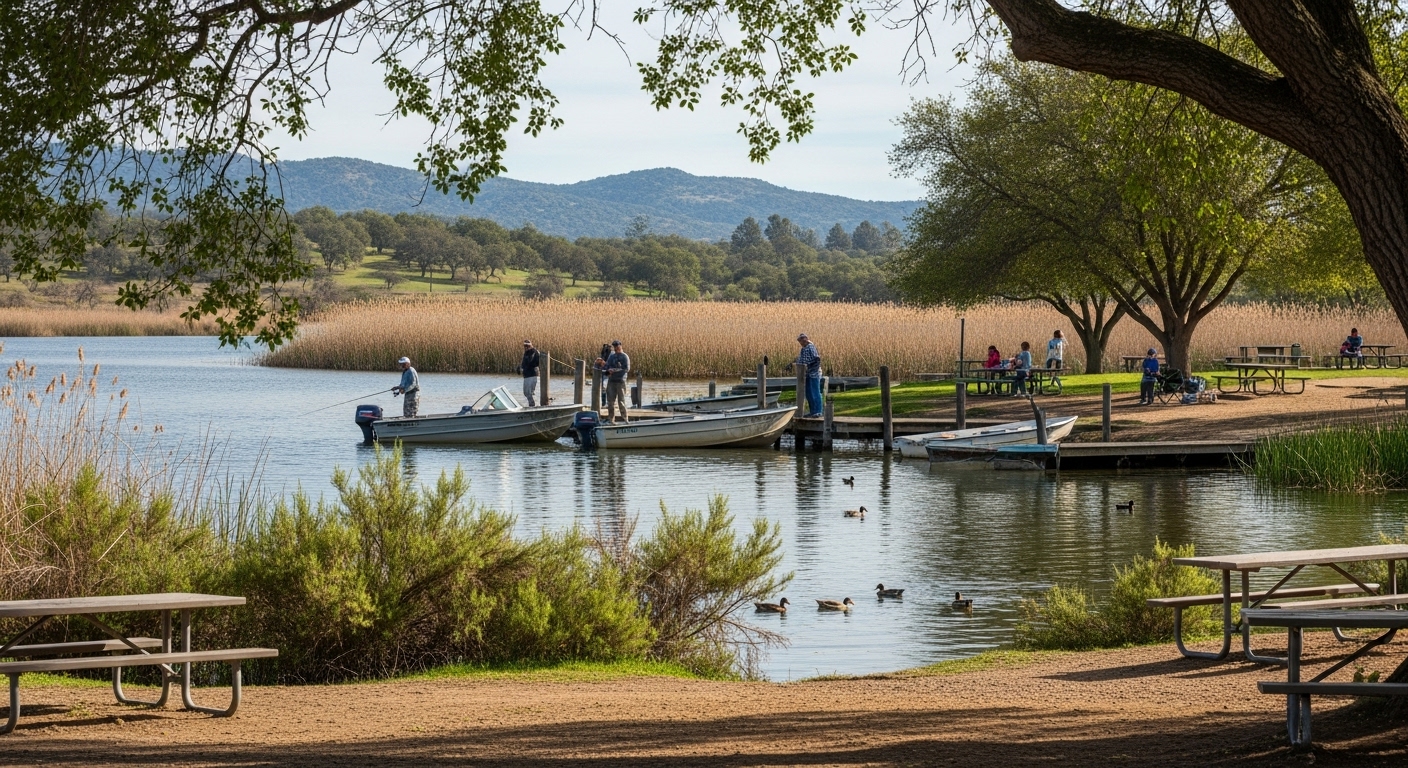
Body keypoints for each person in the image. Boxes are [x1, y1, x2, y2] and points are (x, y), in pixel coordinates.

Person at [792, 333, 823, 417]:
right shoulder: (803, 349)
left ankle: (818, 411)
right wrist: (793, 364)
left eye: (801, 341)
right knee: (808, 393)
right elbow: (801, 360)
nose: (801, 343)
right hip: (807, 374)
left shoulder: (810, 347)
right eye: (799, 341)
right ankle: (812, 411)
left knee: (815, 392)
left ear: (805, 339)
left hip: (814, 374)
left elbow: (816, 359)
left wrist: (811, 367)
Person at [604, 340, 631, 423]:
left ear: (620, 346)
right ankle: (611, 420)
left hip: (620, 381)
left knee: (621, 401)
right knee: (610, 402)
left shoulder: (624, 356)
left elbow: (627, 369)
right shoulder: (611, 356)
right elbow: (607, 367)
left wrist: (615, 370)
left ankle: (625, 419)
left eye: (617, 346)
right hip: (611, 381)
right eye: (614, 346)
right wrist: (608, 371)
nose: (616, 348)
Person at [518, 340, 541, 407]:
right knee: (526, 393)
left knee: (531, 392)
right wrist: (520, 367)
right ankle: (531, 404)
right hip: (526, 376)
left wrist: (524, 367)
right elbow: (524, 363)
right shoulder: (526, 353)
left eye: (527, 346)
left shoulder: (534, 352)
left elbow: (531, 361)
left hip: (533, 375)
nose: (526, 347)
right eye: (524, 346)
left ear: (531, 345)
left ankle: (534, 405)